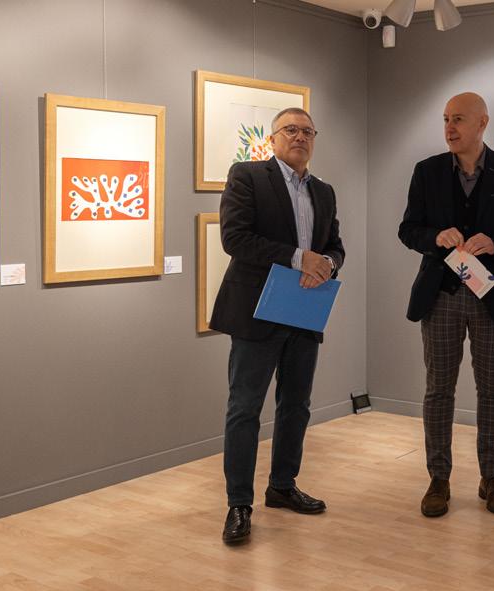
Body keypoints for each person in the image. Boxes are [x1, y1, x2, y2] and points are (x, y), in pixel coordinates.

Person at [398, 92, 494, 518]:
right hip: (441, 295)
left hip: (492, 297)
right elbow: (408, 229)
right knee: (438, 390)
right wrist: (434, 237)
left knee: (492, 390)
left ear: (482, 123)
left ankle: (490, 477)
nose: (449, 127)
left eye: (458, 119)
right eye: (445, 119)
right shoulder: (426, 171)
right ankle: (438, 478)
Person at [210, 107, 345, 544]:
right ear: (273, 139)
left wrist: (327, 263)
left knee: (296, 405)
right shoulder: (248, 176)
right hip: (256, 310)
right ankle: (238, 504)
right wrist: (297, 257)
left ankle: (282, 486)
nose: (300, 137)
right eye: (291, 130)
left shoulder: (323, 191)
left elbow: (335, 246)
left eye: (307, 131)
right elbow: (234, 238)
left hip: (304, 309)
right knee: (245, 408)